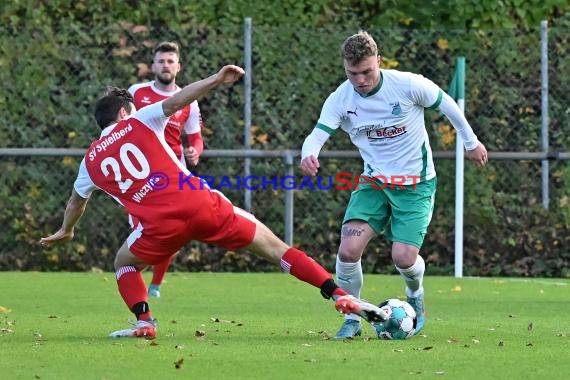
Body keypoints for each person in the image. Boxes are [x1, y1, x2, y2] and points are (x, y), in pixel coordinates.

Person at [40, 64, 388, 340]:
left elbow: (76, 202)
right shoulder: (140, 120)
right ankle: (339, 293)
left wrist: (65, 231)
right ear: (122, 114)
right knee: (277, 251)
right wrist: (217, 79)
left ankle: (144, 321)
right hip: (200, 204)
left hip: (158, 227)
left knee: (124, 264)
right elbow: (178, 101)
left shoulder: (90, 161)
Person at [299, 31, 488, 339]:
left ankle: (415, 294)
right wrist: (309, 154)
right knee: (348, 250)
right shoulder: (341, 99)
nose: (360, 80)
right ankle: (352, 318)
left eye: (366, 72)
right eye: (352, 73)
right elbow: (317, 134)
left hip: (415, 186)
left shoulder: (408, 85)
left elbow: (447, 104)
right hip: (374, 184)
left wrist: (471, 142)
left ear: (379, 62)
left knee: (403, 258)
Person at [128, 41, 205, 298]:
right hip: (141, 174)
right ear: (152, 66)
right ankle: (135, 284)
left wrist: (195, 151)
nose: (165, 65)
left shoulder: (189, 100)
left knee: (174, 231)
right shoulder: (136, 93)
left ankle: (155, 286)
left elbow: (196, 138)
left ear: (178, 66)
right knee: (141, 232)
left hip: (173, 175)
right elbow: (121, 129)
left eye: (170, 61)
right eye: (161, 61)